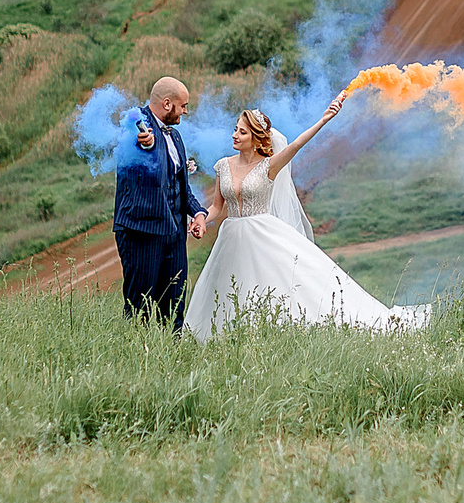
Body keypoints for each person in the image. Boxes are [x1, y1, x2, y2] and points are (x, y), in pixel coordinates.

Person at [182, 92, 428, 340]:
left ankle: (273, 330)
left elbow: (297, 144)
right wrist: (200, 218)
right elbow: (217, 207)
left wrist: (324, 119)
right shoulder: (223, 165)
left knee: (274, 281)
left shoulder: (269, 165)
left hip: (262, 233)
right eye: (236, 130)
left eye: (242, 132)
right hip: (231, 236)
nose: (235, 135)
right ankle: (226, 335)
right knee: (229, 284)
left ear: (256, 138)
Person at [114, 75, 207, 327]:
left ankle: (172, 351)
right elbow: (140, 143)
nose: (186, 111)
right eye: (183, 105)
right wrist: (146, 144)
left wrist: (198, 213)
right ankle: (137, 352)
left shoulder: (175, 136)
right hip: (142, 232)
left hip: (174, 235)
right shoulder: (135, 126)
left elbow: (180, 184)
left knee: (175, 308)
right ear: (167, 103)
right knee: (139, 310)